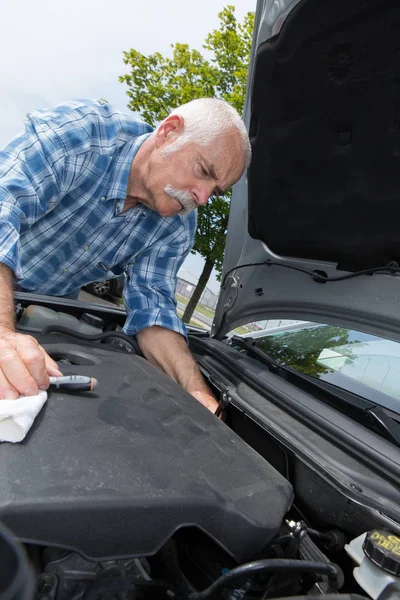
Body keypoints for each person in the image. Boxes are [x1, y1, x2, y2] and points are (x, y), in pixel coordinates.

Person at [0, 98, 251, 413]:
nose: (201, 197)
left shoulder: (176, 226)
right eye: (203, 171)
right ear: (169, 132)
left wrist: (197, 393)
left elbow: (153, 309)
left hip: (32, 322)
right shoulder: (83, 135)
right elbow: (3, 207)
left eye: (214, 191)